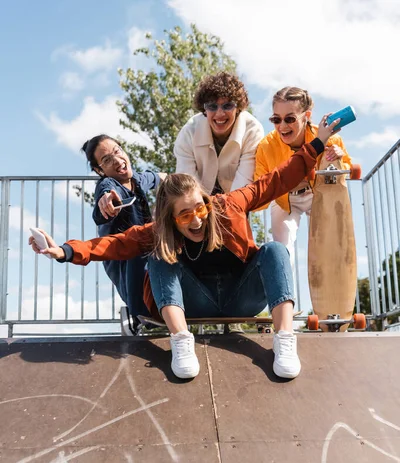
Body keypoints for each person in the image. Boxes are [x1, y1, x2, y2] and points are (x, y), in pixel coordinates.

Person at [29, 115, 338, 381]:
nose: (196, 222)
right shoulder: (159, 229)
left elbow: (278, 179)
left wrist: (319, 142)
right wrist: (64, 251)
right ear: (171, 218)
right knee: (159, 259)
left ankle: (284, 340)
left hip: (242, 297)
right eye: (185, 216)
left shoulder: (229, 204)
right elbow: (113, 244)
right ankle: (181, 341)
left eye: (199, 210)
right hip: (195, 303)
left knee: (275, 250)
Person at [254, 87, 352, 264]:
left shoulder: (330, 139)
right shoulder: (266, 146)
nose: (282, 126)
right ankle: (285, 292)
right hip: (285, 201)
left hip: (318, 196)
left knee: (327, 249)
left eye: (290, 119)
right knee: (281, 251)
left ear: (306, 116)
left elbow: (347, 170)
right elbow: (259, 190)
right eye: (276, 119)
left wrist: (338, 160)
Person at [81, 134, 165, 326]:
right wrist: (106, 202)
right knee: (140, 291)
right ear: (99, 170)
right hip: (122, 258)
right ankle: (135, 316)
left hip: (143, 248)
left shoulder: (136, 179)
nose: (118, 161)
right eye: (107, 160)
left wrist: (170, 179)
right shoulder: (108, 185)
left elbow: (152, 177)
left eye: (117, 152)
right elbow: (104, 200)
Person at [174, 71, 264, 195]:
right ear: (204, 109)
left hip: (237, 197)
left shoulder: (252, 131)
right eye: (212, 106)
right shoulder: (188, 132)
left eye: (227, 106)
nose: (220, 113)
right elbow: (187, 186)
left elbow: (243, 188)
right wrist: (202, 210)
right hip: (199, 197)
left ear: (238, 108)